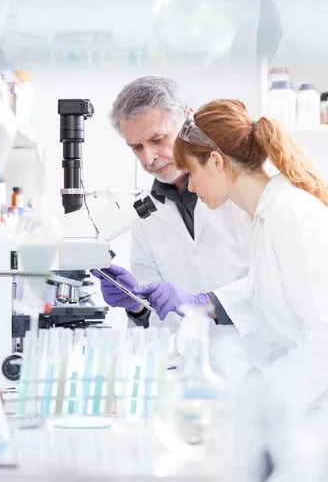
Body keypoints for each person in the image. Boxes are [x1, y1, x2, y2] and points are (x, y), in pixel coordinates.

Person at [134, 99, 328, 406]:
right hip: (298, 407)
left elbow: (323, 343)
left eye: (192, 173)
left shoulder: (291, 215)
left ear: (215, 161)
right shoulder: (264, 219)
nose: (193, 188)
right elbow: (268, 298)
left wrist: (260, 396)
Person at [94, 76, 252, 332]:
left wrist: (206, 303)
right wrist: (137, 305)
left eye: (158, 139)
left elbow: (277, 286)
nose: (149, 158)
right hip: (187, 363)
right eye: (136, 147)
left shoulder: (241, 186)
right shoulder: (144, 211)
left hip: (260, 362)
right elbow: (157, 317)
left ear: (188, 120)